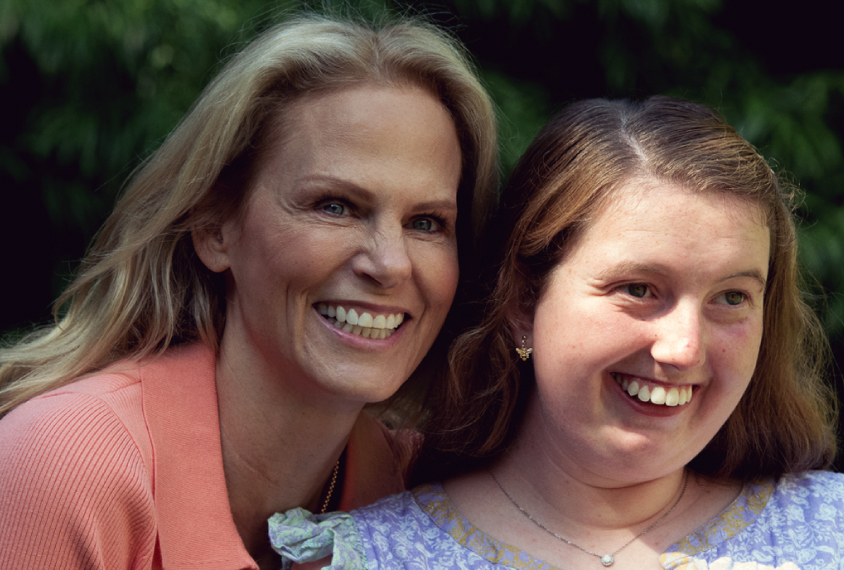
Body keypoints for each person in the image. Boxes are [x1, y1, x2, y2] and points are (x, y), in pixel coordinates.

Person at [0, 14, 497, 570]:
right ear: (215, 229)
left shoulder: (430, 502)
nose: (390, 264)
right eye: (334, 205)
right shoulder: (65, 461)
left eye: (427, 222)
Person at [269, 96, 843, 569]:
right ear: (522, 301)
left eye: (731, 298)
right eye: (638, 289)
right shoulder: (366, 559)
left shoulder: (830, 529)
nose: (684, 347)